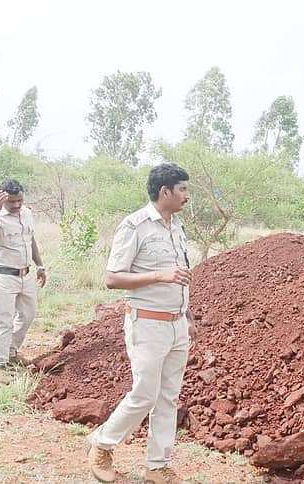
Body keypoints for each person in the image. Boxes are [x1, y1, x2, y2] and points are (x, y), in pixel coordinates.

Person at [87, 163, 197, 484]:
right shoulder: (135, 226)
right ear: (165, 192)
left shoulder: (176, 227)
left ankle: (157, 466)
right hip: (147, 323)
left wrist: (187, 316)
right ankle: (102, 443)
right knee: (145, 393)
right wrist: (158, 275)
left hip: (176, 325)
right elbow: (112, 278)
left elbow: (181, 277)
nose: (186, 196)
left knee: (168, 398)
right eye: (183, 190)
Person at [0, 180, 46, 379]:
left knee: (28, 314)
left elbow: (30, 239)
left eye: (20, 200)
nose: (17, 205)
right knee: (4, 320)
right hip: (2, 276)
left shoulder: (26, 213)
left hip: (25, 275)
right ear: (2, 199)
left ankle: (11, 352)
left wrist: (40, 265)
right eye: (12, 202)